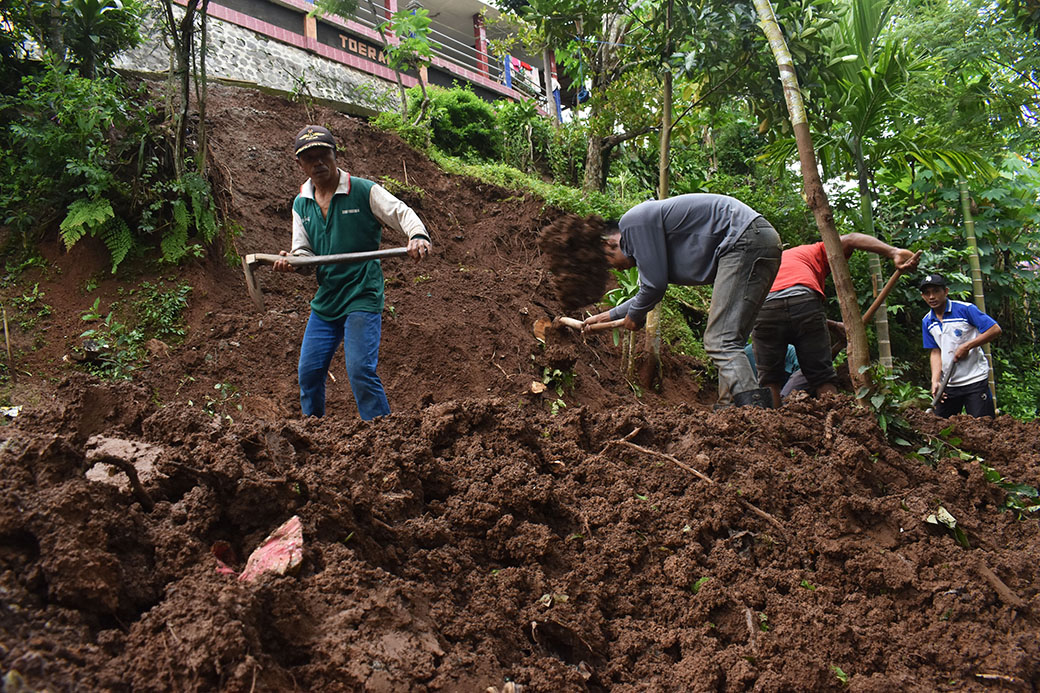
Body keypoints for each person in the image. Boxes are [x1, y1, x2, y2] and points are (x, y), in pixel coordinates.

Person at [273, 125, 431, 420]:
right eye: (310, 158)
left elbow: (401, 212)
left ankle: (383, 433)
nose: (318, 163)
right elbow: (304, 254)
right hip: (328, 298)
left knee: (359, 371)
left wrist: (417, 236)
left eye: (324, 155)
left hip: (361, 293)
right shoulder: (301, 203)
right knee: (308, 372)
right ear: (300, 164)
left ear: (336, 155)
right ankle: (312, 431)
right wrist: (294, 261)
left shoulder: (362, 190)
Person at [581, 194, 782, 408]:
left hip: (743, 240)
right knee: (731, 340)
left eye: (610, 262)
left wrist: (634, 316)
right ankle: (729, 410)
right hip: (758, 240)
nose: (617, 269)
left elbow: (654, 287)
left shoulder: (633, 222)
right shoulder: (644, 234)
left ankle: (753, 411)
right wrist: (606, 317)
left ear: (610, 243)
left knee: (720, 340)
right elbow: (647, 292)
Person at [751, 233, 918, 408]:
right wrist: (894, 251)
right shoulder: (810, 251)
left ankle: (772, 430)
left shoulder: (760, 265)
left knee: (769, 380)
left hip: (764, 306)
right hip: (804, 300)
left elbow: (779, 302)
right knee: (822, 376)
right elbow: (851, 238)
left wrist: (831, 324)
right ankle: (837, 426)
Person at [919, 273, 1001, 418]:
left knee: (983, 426)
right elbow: (936, 351)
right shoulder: (927, 321)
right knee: (940, 428)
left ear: (946, 291)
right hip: (949, 384)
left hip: (975, 379)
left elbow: (994, 329)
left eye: (936, 291)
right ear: (923, 296)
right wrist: (935, 381)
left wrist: (967, 346)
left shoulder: (965, 309)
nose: (932, 297)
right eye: (927, 293)